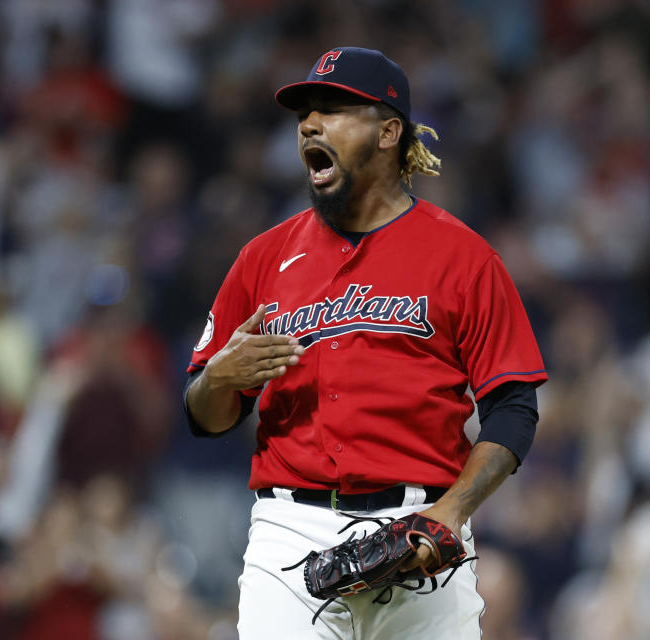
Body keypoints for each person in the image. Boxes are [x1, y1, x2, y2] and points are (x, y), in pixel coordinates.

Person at [183, 47, 547, 639]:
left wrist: (449, 515)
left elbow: (513, 408)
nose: (309, 124)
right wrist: (218, 379)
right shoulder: (263, 259)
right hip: (291, 533)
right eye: (305, 114)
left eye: (332, 109)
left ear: (388, 131)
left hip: (421, 526)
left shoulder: (463, 258)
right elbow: (207, 418)